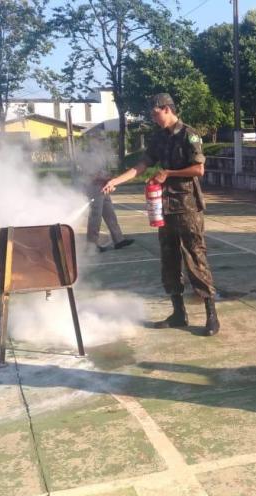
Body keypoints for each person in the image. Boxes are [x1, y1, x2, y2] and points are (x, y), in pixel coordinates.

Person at [102, 93, 219, 336]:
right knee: (169, 259)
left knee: (195, 257)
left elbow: (199, 168)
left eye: (155, 114)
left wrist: (168, 173)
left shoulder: (189, 134)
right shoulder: (159, 138)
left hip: (187, 206)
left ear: (166, 109)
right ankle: (178, 313)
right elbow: (141, 166)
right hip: (164, 208)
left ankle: (211, 315)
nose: (153, 118)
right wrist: (116, 181)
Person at [83, 167, 134, 253]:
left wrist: (109, 180)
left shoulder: (100, 155)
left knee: (110, 215)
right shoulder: (90, 155)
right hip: (94, 188)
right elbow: (90, 174)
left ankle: (118, 240)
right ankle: (91, 245)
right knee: (95, 217)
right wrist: (106, 178)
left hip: (103, 186)